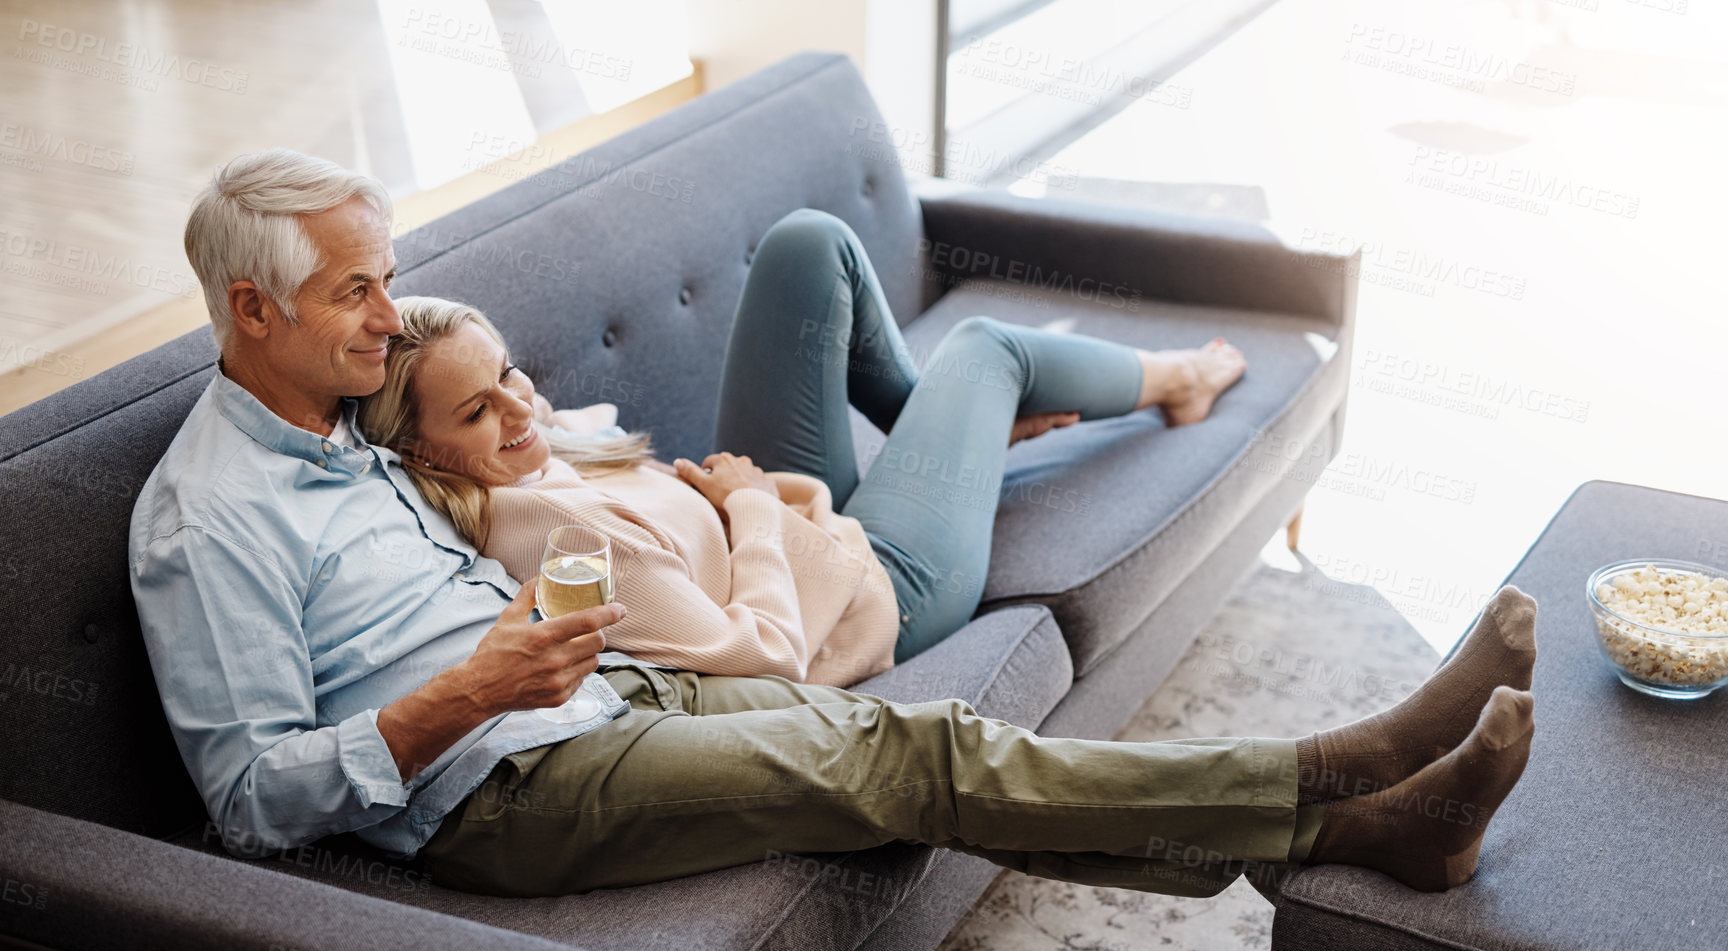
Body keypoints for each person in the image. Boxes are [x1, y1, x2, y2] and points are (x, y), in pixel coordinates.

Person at [130, 148, 1538, 907]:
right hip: (494, 791)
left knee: (909, 751)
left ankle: (1354, 816)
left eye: (386, 282)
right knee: (897, 746)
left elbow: (511, 451)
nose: (385, 315)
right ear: (253, 312)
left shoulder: (345, 421)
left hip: (595, 684)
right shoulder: (207, 522)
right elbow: (249, 800)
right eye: (355, 294)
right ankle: (1335, 786)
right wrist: (467, 690)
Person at [354, 208, 1251, 687]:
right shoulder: (554, 537)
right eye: (479, 410)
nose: (520, 406)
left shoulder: (518, 451)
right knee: (987, 346)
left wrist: (545, 424)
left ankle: (945, 428)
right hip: (870, 590)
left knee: (809, 244)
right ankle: (1179, 378)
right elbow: (762, 661)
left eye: (511, 372)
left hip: (780, 522)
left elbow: (559, 434)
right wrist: (747, 507)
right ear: (419, 455)